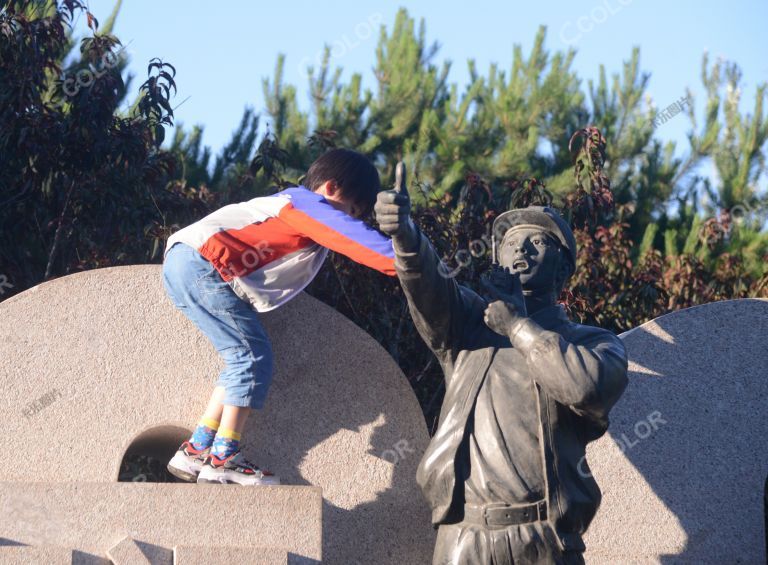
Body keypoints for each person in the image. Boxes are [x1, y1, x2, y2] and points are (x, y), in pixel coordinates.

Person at [375, 173, 628, 564]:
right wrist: (405, 235)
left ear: (562, 269)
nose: (520, 249)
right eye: (510, 243)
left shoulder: (592, 342)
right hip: (465, 535)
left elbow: (586, 389)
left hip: (546, 538)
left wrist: (518, 328)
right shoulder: (468, 324)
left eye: (537, 242)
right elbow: (428, 286)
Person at [162, 148, 396, 485]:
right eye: (352, 211)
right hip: (203, 265)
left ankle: (196, 450)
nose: (351, 220)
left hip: (187, 265)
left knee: (238, 362)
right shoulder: (303, 205)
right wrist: (406, 261)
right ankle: (224, 456)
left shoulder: (291, 208)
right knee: (251, 357)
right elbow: (357, 241)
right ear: (330, 188)